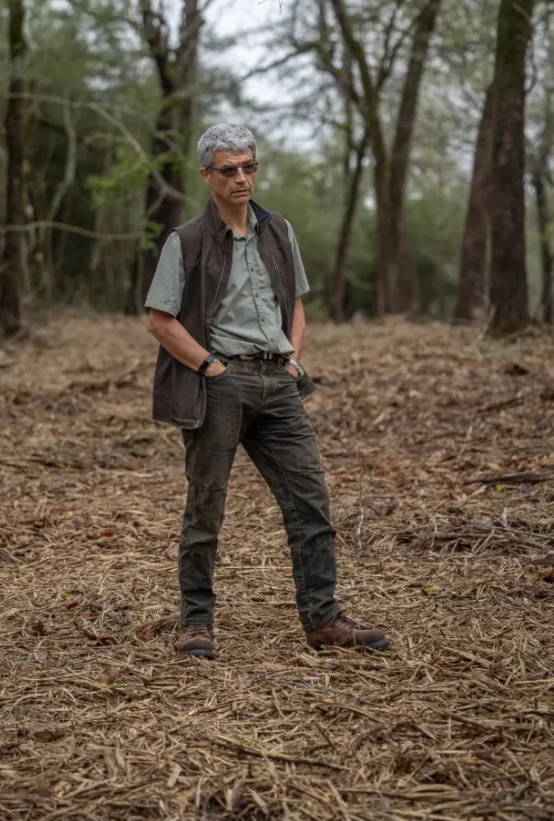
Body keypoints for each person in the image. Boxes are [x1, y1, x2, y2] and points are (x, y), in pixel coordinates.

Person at [145, 123, 389, 659]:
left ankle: (323, 620)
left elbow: (295, 303)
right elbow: (160, 320)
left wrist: (294, 358)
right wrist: (211, 367)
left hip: (278, 382)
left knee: (310, 500)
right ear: (207, 175)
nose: (241, 178)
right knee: (206, 504)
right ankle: (196, 624)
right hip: (222, 384)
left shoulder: (279, 230)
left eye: (248, 166)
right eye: (228, 169)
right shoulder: (184, 240)